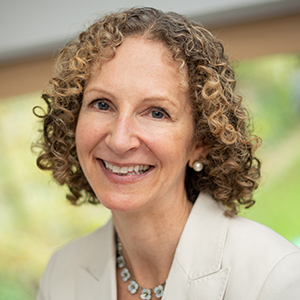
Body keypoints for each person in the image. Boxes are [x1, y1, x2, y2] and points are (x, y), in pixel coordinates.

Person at [35, 7, 300, 300]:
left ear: (201, 141)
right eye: (102, 104)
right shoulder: (62, 274)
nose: (120, 141)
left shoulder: (275, 278)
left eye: (157, 112)